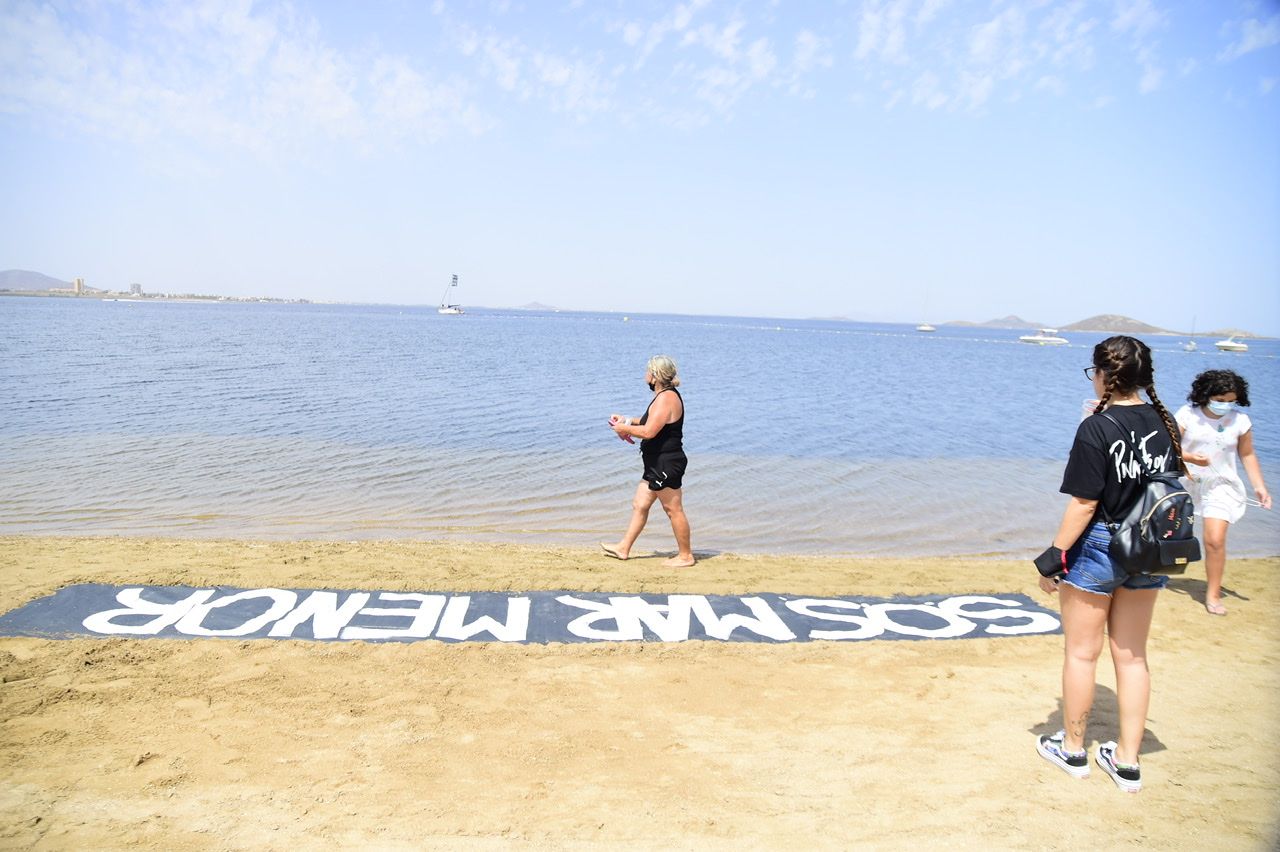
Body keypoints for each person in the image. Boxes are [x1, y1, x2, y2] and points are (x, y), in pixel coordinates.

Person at [1034, 336, 1186, 794]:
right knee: (1133, 656)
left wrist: (1053, 557)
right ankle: (1127, 761)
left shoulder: (1097, 427)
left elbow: (1085, 502)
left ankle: (1074, 750)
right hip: (1151, 543)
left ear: (1102, 376)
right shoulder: (1166, 421)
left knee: (1082, 653)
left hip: (1101, 542)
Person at [1175, 370, 1271, 616]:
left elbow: (1247, 455)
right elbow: (1169, 448)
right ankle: (1153, 574)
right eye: (1220, 399)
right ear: (1206, 395)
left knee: (1214, 540)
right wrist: (1189, 457)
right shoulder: (1187, 415)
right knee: (1168, 535)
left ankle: (1213, 594)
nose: (1225, 405)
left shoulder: (1241, 421)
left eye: (1231, 401)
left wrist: (1260, 487)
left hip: (1221, 486)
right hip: (1186, 481)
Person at [600, 355, 695, 568]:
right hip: (655, 464)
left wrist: (625, 430)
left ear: (655, 376)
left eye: (647, 372)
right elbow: (647, 422)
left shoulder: (667, 398)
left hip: (666, 463)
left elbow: (649, 431)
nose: (645, 376)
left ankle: (686, 556)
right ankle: (623, 548)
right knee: (640, 504)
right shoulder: (662, 397)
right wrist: (625, 420)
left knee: (673, 509)